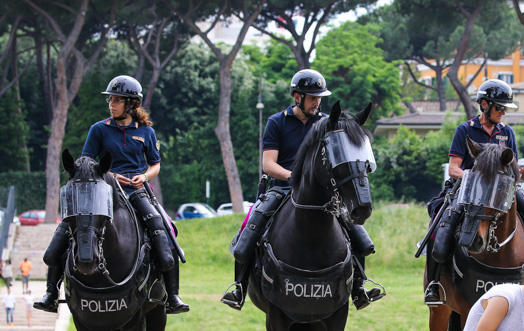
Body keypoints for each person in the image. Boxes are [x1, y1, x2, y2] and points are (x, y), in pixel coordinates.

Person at [221, 69, 383, 311]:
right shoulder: (276, 122)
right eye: (312, 97)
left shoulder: (329, 123)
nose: (317, 102)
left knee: (358, 236)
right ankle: (239, 287)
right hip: (282, 189)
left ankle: (359, 287)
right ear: (297, 97)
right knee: (247, 235)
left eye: (319, 98)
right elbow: (268, 164)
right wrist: (294, 177)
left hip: (322, 196)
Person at [35, 75, 188, 315]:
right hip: (103, 192)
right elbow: (86, 163)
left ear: (131, 104)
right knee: (67, 228)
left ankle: (173, 295)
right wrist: (112, 176)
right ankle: (51, 293)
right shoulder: (98, 129)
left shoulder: (147, 132)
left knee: (162, 227)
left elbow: (155, 164)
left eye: (117, 100)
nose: (111, 104)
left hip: (136, 192)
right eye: (111, 100)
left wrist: (144, 177)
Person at [424, 79, 524, 305]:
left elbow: (513, 167)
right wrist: (477, 178)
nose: (503, 112)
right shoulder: (465, 130)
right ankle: (434, 283)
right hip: (469, 189)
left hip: (503, 189)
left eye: (505, 108)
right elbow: (453, 168)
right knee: (441, 224)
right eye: (499, 107)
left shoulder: (507, 133)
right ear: (484, 105)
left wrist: (522, 175)